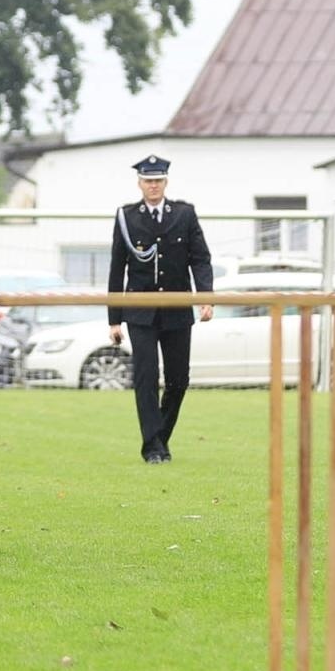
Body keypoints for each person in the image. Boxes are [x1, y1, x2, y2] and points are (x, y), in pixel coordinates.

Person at [106, 155, 214, 464]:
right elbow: (117, 268)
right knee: (146, 376)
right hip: (140, 311)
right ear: (139, 183)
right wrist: (114, 318)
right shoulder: (126, 217)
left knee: (179, 379)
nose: (153, 186)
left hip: (177, 310)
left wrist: (206, 297)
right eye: (147, 181)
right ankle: (152, 447)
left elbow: (200, 259)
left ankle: (160, 438)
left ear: (165, 182)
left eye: (158, 180)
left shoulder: (184, 214)